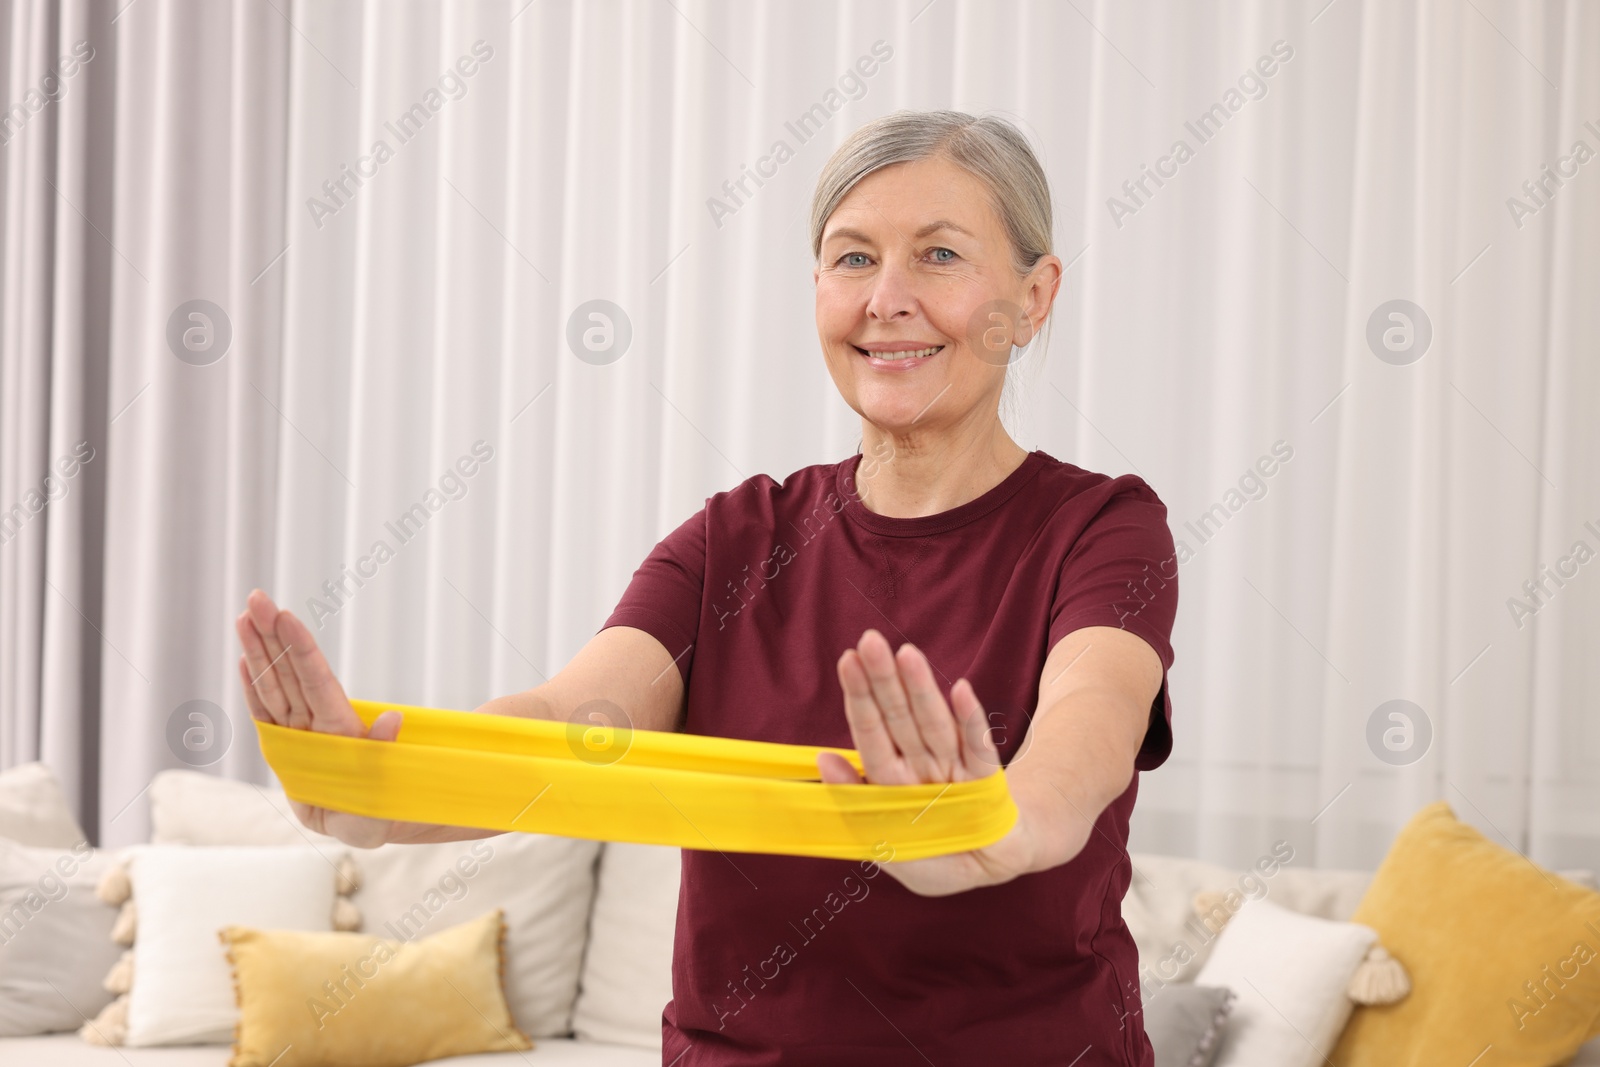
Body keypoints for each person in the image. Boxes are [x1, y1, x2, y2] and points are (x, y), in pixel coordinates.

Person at [236, 108, 1178, 1066]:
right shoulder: (736, 538)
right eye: (852, 259)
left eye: (938, 255)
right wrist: (382, 795)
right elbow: (573, 721)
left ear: (1033, 296)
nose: (885, 298)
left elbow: (1085, 739)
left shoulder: (1103, 529)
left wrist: (996, 830)